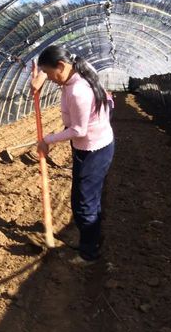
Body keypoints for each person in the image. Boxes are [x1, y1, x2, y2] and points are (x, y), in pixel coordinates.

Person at [31, 45, 114, 264]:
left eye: (49, 73)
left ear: (61, 66)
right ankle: (93, 238)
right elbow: (56, 66)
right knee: (85, 198)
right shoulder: (77, 69)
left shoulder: (78, 91)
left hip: (93, 149)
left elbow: (79, 130)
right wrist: (40, 76)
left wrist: (46, 140)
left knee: (84, 203)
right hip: (94, 146)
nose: (49, 78)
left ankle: (88, 253)